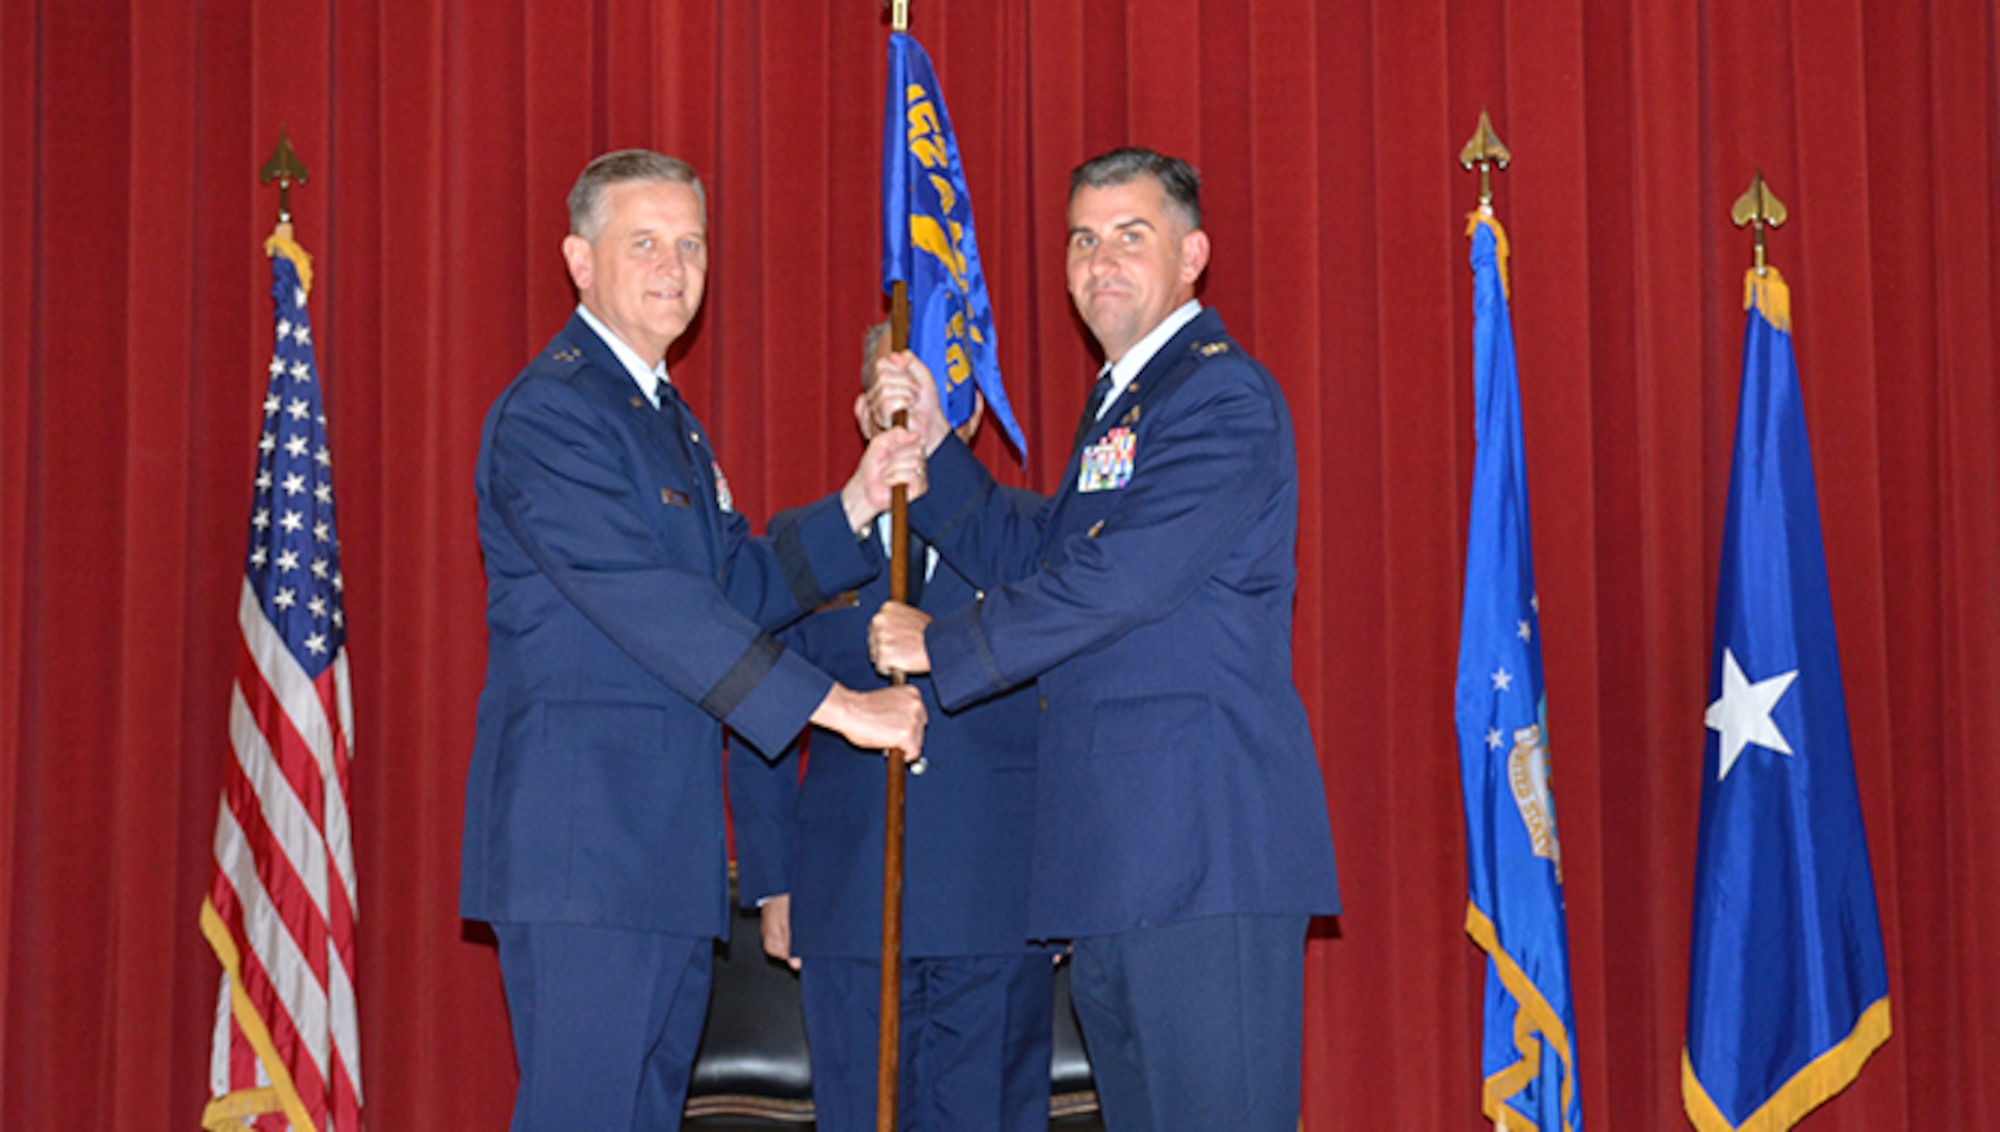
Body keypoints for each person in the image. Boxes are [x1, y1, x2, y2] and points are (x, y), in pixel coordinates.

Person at [867, 146, 1341, 1132]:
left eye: (1131, 236)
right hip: (1116, 864)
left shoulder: (1218, 395)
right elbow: (1044, 549)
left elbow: (1121, 575)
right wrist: (933, 450)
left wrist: (943, 644)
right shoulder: (1123, 402)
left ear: (1193, 256)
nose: (1099, 261)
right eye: (1082, 239)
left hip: (1205, 856)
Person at [461, 149, 930, 1131]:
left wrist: (855, 502)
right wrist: (842, 710)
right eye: (643, 243)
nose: (673, 266)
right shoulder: (555, 412)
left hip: (659, 861)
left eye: (690, 243)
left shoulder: (661, 418)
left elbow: (737, 585)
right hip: (584, 857)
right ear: (578, 261)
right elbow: (654, 607)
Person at [729, 323, 1052, 1132]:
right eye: (890, 389)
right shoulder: (806, 541)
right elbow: (756, 709)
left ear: (969, 414)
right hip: (849, 900)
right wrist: (774, 881)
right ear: (862, 410)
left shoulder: (1033, 537)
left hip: (998, 899)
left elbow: (1070, 711)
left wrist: (1067, 877)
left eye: (932, 389)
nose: (907, 405)